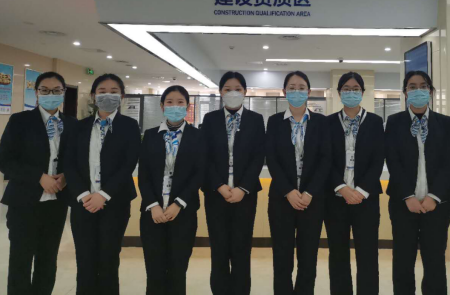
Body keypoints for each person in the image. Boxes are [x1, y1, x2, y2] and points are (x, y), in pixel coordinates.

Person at [0, 71, 76, 295]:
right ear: (36, 93)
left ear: (63, 93)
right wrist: (38, 176)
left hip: (56, 204)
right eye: (45, 90)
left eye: (56, 90)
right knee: (20, 261)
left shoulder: (72, 125)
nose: (51, 94)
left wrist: (66, 176)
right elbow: (4, 161)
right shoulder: (20, 121)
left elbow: (78, 160)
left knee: (48, 260)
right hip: (24, 203)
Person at [64, 73, 141, 295]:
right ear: (93, 96)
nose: (108, 95)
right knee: (85, 260)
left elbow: (128, 164)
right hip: (83, 203)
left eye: (114, 92)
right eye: (102, 91)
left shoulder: (129, 126)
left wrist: (104, 194)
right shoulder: (79, 127)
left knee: (109, 259)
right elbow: (69, 163)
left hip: (115, 202)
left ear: (122, 97)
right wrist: (83, 195)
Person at [385, 70, 450, 295]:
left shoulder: (444, 122)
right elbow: (393, 161)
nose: (418, 90)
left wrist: (434, 196)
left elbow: (448, 162)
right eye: (412, 86)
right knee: (403, 260)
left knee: (435, 260)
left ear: (431, 91)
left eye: (423, 86)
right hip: (403, 203)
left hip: (437, 205)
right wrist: (408, 196)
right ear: (405, 92)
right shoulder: (394, 122)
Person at [266, 71, 331, 295]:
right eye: (292, 88)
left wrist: (309, 192)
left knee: (308, 257)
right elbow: (272, 158)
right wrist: (288, 191)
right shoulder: (275, 122)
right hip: (281, 200)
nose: (297, 91)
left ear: (309, 92)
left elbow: (326, 159)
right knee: (281, 257)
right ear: (284, 92)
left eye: (301, 87)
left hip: (312, 201)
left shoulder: (321, 122)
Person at [201, 72, 265, 295]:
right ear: (220, 92)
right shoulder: (210, 119)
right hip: (215, 194)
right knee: (218, 250)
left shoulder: (256, 120)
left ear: (245, 92)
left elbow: (258, 156)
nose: (233, 93)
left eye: (238, 89)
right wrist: (219, 185)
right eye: (227, 89)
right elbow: (204, 156)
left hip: (245, 196)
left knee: (241, 250)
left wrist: (243, 188)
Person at [138, 85, 203, 295]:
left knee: (178, 270)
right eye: (170, 102)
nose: (175, 106)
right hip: (152, 214)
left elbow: (199, 173)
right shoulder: (150, 136)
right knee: (154, 271)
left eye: (180, 102)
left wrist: (179, 203)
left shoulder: (197, 136)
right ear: (162, 106)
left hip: (183, 213)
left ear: (188, 107)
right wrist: (153, 205)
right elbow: (144, 175)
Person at [325, 72, 384, 295]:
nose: (351, 92)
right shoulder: (328, 123)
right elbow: (324, 159)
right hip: (335, 199)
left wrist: (360, 190)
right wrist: (342, 187)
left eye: (355, 89)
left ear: (362, 92)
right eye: (346, 89)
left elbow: (378, 159)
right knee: (338, 254)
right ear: (339, 93)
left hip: (366, 200)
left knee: (368, 254)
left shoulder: (375, 122)